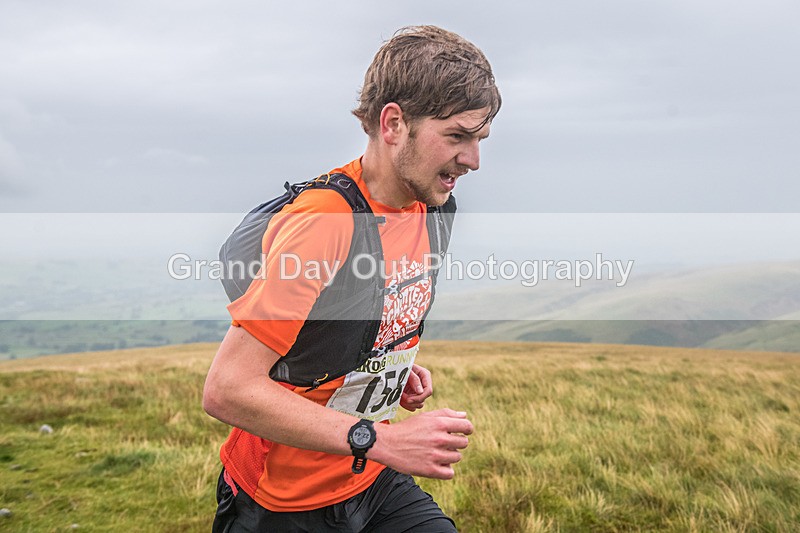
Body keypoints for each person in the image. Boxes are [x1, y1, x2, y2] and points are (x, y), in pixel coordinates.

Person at [203, 25, 501, 532]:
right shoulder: (327, 222)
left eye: (480, 139)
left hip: (371, 481)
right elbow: (227, 389)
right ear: (393, 124)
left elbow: (350, 320)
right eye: (457, 136)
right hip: (279, 502)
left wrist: (388, 366)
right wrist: (384, 439)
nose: (473, 160)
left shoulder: (433, 210)